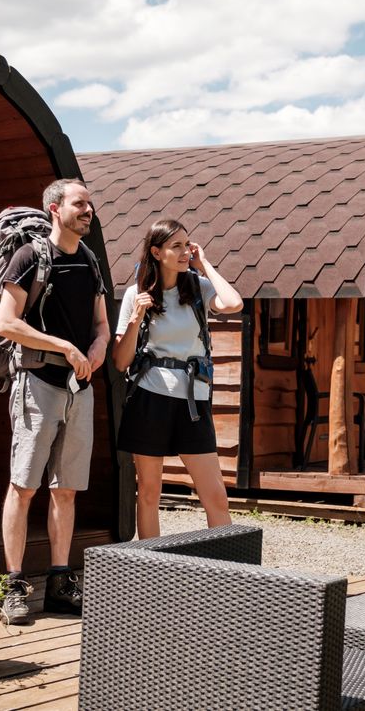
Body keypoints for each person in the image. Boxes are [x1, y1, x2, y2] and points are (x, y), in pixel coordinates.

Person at [0, 178, 109, 624]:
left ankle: (60, 584)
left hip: (80, 389)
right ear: (55, 209)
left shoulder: (90, 261)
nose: (89, 210)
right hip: (38, 383)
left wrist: (98, 349)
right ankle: (15, 585)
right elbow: (7, 322)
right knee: (23, 487)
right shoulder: (29, 257)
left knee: (65, 491)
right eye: (80, 203)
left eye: (90, 204)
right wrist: (64, 347)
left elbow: (101, 324)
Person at [112, 219, 244, 538]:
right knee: (148, 494)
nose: (185, 252)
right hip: (148, 398)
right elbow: (120, 361)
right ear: (156, 252)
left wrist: (205, 263)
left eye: (187, 245)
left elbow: (234, 303)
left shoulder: (198, 287)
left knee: (214, 494)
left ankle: (225, 574)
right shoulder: (136, 294)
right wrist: (135, 318)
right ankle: (152, 573)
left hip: (193, 402)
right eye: (176, 246)